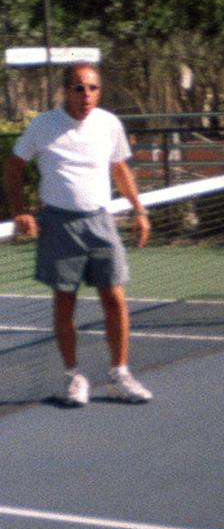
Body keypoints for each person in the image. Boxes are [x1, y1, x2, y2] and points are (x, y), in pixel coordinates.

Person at [3, 62, 152, 406]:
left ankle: (119, 375)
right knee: (64, 302)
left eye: (93, 88)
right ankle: (74, 377)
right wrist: (19, 210)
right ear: (66, 90)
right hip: (58, 223)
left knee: (114, 298)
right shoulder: (43, 126)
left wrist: (139, 210)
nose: (87, 95)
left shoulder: (109, 123)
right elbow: (14, 166)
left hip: (101, 221)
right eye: (79, 88)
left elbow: (119, 168)